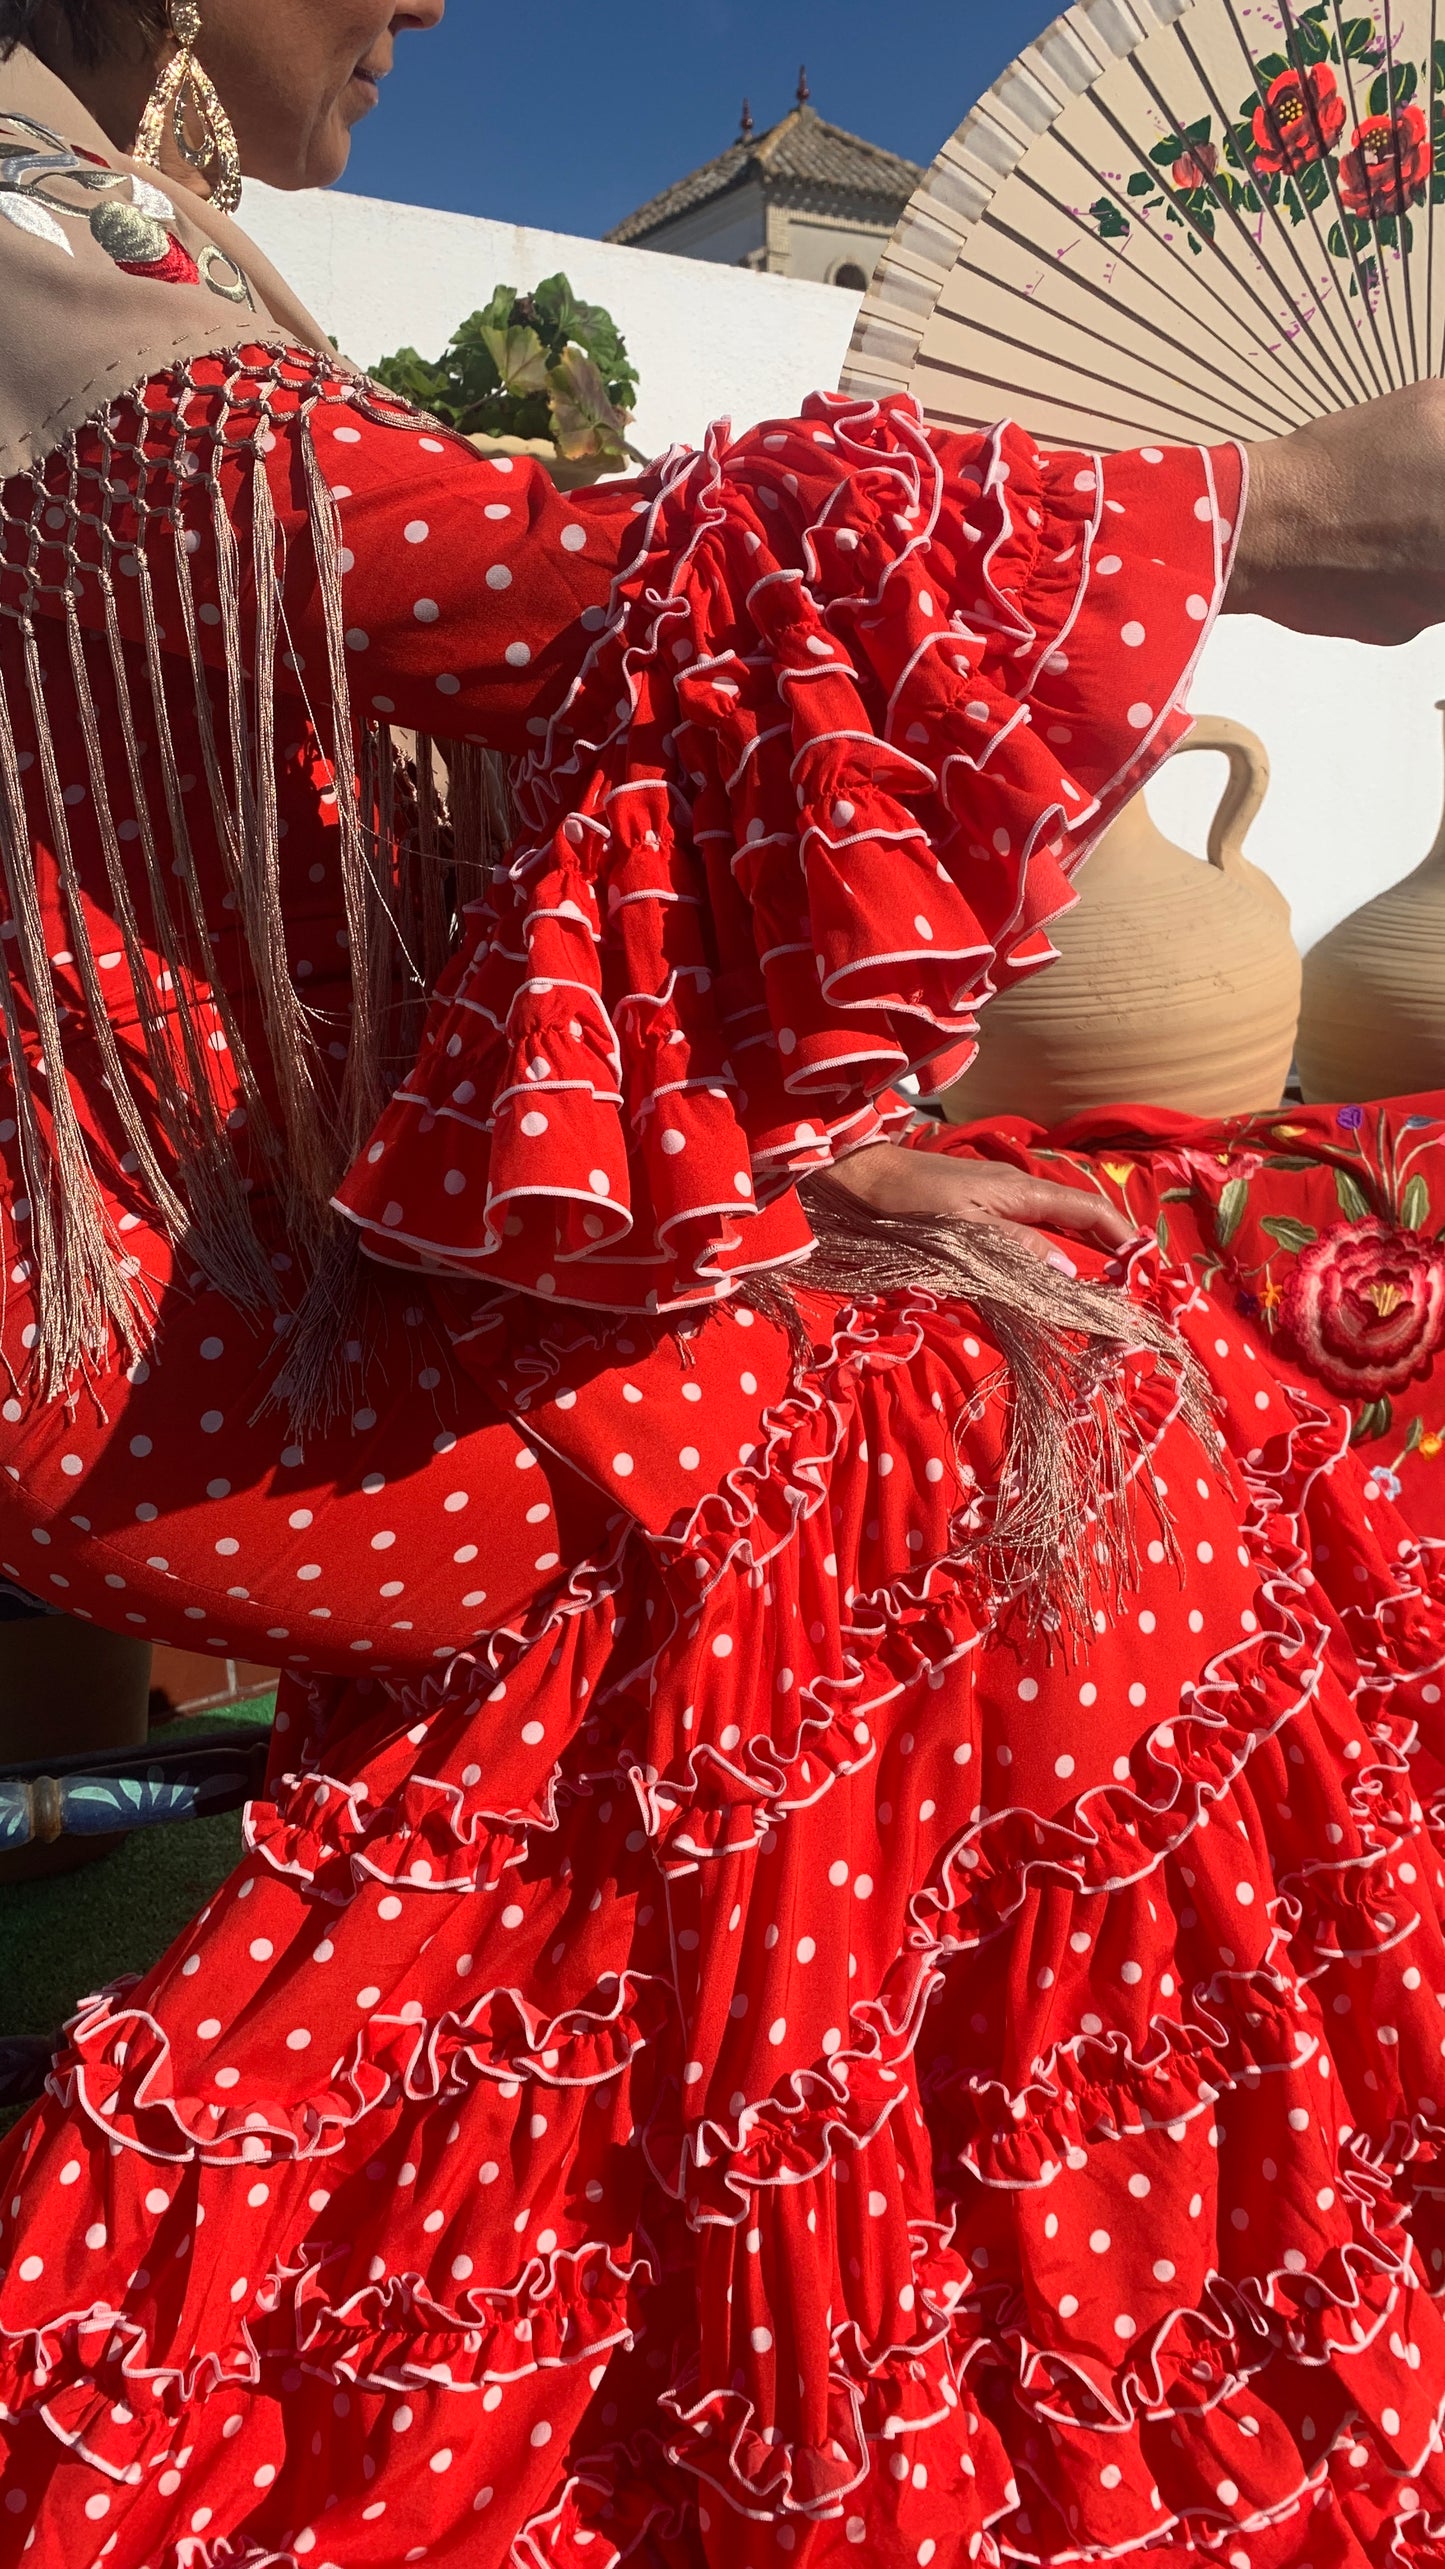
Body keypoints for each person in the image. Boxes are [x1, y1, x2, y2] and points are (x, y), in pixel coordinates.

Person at [1, 4, 1445, 2563]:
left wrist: (821, 1191)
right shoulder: (31, 266)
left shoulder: (122, 234)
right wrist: (1232, 500)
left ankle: (927, 2277)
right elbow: (538, 614)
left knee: (1141, 1283)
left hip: (281, 1282)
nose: (429, 4)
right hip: (184, 1373)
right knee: (1047, 1456)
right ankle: (905, 2359)